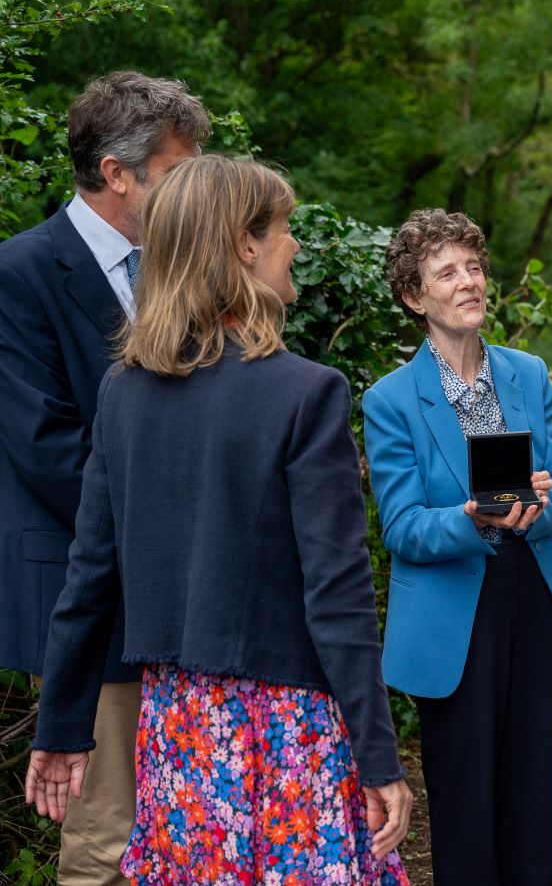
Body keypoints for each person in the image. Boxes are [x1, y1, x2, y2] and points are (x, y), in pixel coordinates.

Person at [23, 156, 413, 883]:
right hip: (287, 733)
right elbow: (338, 594)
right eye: (285, 228)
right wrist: (377, 756)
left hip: (178, 732)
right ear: (244, 245)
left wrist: (62, 729)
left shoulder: (123, 392)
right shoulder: (308, 393)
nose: (295, 244)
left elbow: (88, 581)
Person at [0, 71, 209, 884]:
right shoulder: (16, 274)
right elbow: (46, 449)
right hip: (92, 592)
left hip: (193, 599)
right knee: (107, 833)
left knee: (189, 821)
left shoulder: (185, 274)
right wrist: (181, 532)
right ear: (117, 172)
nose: (192, 193)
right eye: (177, 172)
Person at [362, 209, 552, 885]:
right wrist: (469, 517)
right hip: (453, 617)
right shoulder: (391, 399)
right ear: (415, 296)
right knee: (465, 806)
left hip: (531, 597)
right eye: (446, 272)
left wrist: (548, 503)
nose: (468, 283)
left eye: (473, 267)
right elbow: (401, 527)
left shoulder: (528, 372)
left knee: (531, 795)